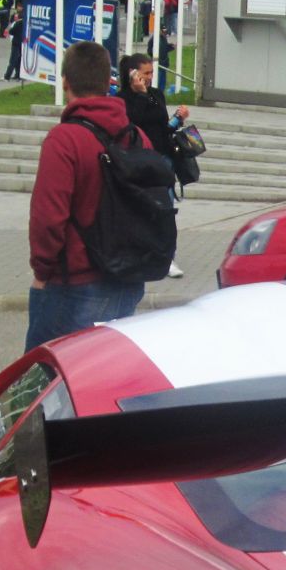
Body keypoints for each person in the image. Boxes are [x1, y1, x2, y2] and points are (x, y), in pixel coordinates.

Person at [26, 41, 156, 349]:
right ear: (107, 82)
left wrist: (42, 271)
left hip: (73, 284)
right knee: (106, 379)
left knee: (43, 386)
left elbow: (48, 217)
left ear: (66, 82)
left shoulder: (64, 140)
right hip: (127, 280)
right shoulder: (138, 137)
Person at [116, 52, 188, 278]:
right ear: (133, 74)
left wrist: (178, 119)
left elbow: (162, 125)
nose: (149, 77)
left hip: (161, 160)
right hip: (138, 161)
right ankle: (140, 252)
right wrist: (139, 94)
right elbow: (134, 120)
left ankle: (167, 256)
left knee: (166, 208)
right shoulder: (123, 99)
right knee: (141, 209)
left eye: (151, 72)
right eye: (145, 73)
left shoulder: (156, 94)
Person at [1, 7, 24, 82]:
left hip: (16, 43)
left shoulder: (18, 23)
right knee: (19, 59)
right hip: (22, 43)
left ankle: (7, 76)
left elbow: (11, 31)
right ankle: (18, 75)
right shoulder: (25, 23)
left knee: (12, 60)